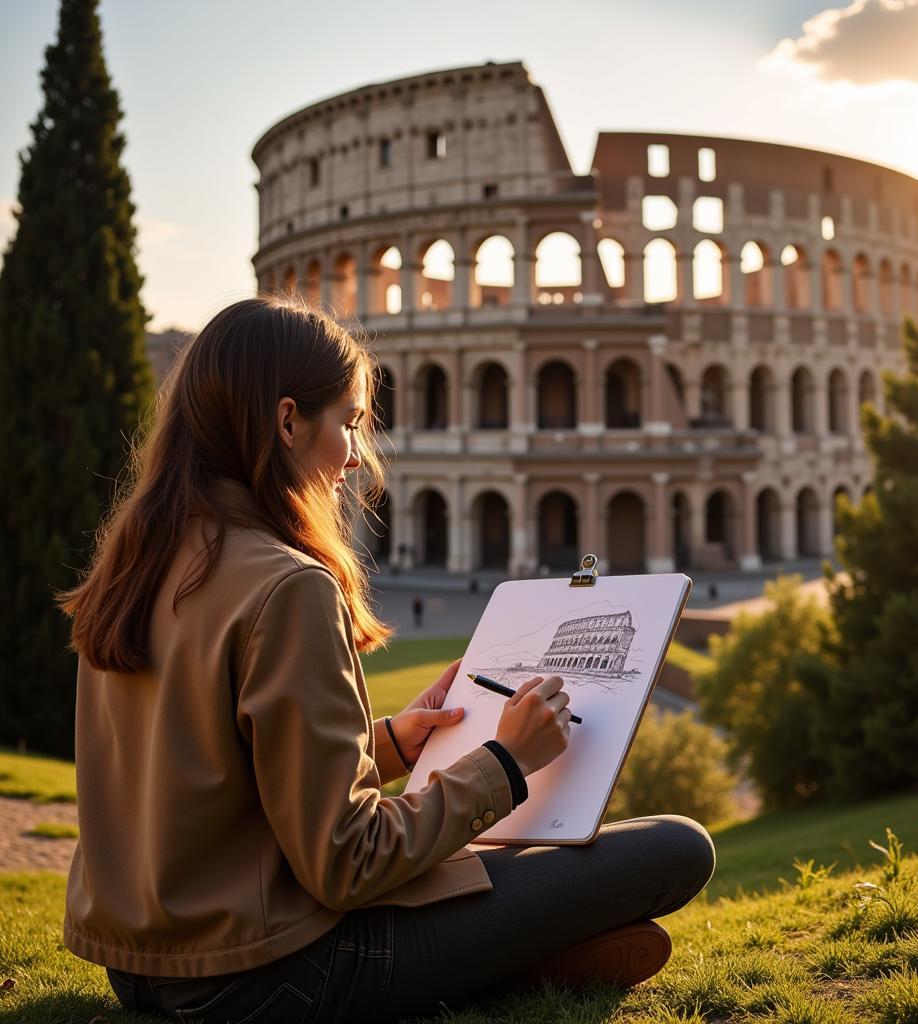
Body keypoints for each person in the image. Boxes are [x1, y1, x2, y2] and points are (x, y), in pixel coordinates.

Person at [57, 295, 715, 1023]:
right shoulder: (287, 585)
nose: (356, 456)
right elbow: (347, 862)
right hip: (270, 977)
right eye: (348, 422)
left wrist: (395, 742)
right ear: (286, 421)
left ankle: (524, 956)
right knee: (675, 849)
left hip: (144, 968)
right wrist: (505, 760)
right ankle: (523, 966)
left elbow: (209, 776)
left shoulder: (139, 558)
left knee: (500, 878)